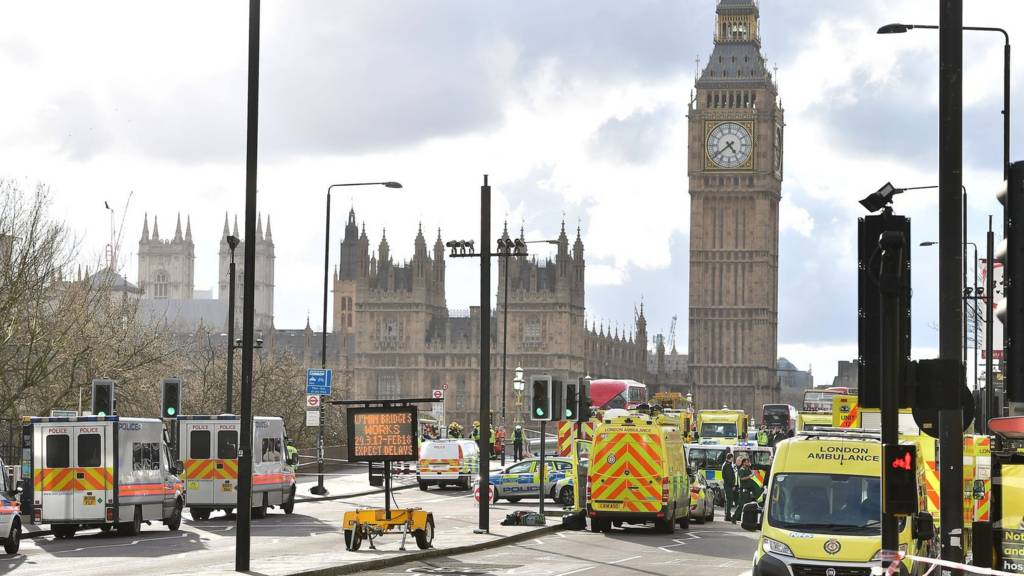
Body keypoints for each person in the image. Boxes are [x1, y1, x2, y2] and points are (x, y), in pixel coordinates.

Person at [733, 457, 758, 521]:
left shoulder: (747, 469)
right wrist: (750, 476)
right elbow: (742, 478)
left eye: (748, 462)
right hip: (743, 491)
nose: (748, 463)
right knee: (741, 505)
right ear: (743, 463)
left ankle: (747, 519)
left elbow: (752, 474)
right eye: (746, 462)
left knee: (749, 505)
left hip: (748, 491)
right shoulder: (742, 469)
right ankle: (734, 518)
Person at [722, 452, 737, 523]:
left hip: (727, 485)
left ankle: (727, 515)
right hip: (728, 486)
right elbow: (729, 477)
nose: (733, 459)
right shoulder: (727, 465)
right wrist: (733, 485)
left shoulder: (726, 464)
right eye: (732, 458)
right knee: (729, 500)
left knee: (728, 500)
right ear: (730, 458)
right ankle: (728, 515)